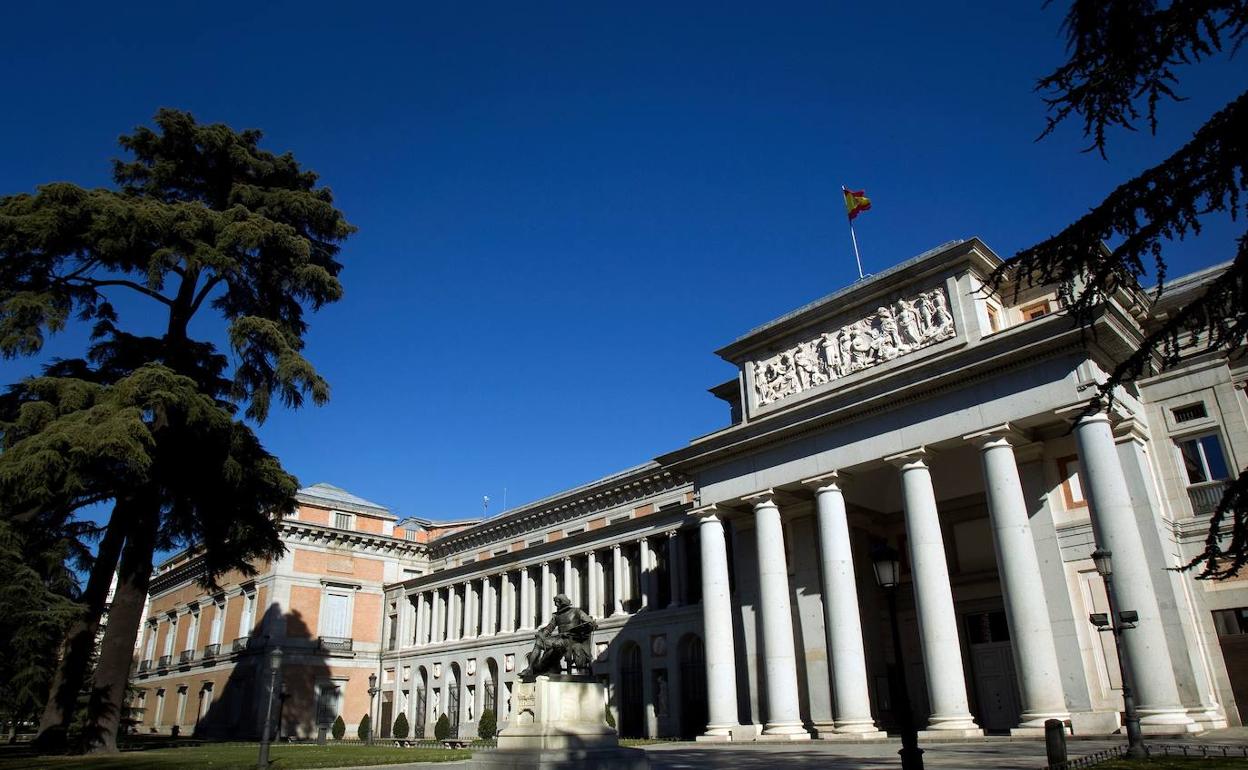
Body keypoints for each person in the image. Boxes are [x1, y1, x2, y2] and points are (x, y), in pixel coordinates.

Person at [519, 593, 597, 679]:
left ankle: (551, 667)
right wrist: (542, 635)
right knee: (539, 642)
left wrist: (592, 624)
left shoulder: (576, 611)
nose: (555, 604)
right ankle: (530, 668)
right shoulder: (557, 616)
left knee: (556, 644)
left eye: (556, 602)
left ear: (561, 602)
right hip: (561, 638)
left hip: (573, 639)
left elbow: (590, 622)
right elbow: (549, 628)